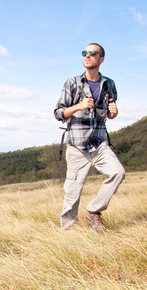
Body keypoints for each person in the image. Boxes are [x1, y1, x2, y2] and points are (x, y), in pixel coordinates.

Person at [54, 43, 125, 232]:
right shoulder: (73, 83)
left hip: (99, 144)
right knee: (72, 192)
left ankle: (94, 210)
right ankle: (69, 231)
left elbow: (109, 115)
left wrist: (113, 113)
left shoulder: (109, 84)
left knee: (118, 172)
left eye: (93, 53)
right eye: (85, 53)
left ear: (101, 59)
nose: (88, 55)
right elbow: (59, 113)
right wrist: (79, 105)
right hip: (77, 145)